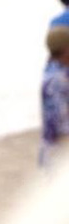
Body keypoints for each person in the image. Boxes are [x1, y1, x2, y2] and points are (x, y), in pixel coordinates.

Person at [40, 27, 69, 167]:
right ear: (66, 49)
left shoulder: (55, 70)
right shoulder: (57, 80)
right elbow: (57, 121)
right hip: (59, 151)